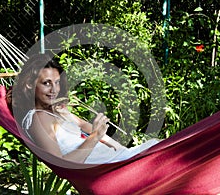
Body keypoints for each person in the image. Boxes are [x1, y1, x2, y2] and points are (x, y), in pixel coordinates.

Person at [9, 54, 160, 164]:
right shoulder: (37, 118)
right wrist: (94, 137)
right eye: (46, 83)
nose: (54, 90)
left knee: (158, 146)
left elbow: (83, 125)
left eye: (57, 82)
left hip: (117, 159)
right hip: (107, 167)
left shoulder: (56, 111)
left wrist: (120, 149)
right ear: (30, 84)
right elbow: (61, 163)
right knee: (162, 152)